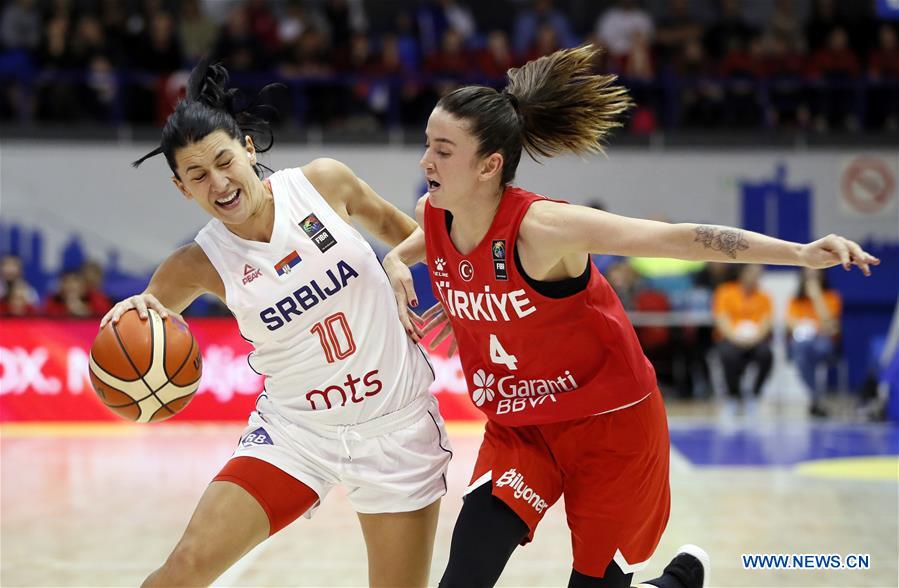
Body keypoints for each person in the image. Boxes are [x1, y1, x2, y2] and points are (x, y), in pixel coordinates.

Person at [382, 44, 879, 588]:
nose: (425, 161)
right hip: (521, 430)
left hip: (610, 427)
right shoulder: (433, 212)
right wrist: (394, 260)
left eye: (443, 150)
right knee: (463, 578)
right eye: (428, 145)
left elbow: (677, 240)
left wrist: (801, 253)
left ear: (489, 165)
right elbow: (426, 245)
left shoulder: (545, 229)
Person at [100, 58, 451, 587]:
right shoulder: (195, 263)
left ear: (246, 147)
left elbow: (413, 234)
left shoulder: (323, 183)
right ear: (182, 188)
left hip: (395, 428)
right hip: (297, 434)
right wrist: (127, 318)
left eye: (223, 161)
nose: (217, 183)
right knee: (184, 571)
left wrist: (458, 284)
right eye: (197, 175)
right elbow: (144, 317)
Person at [711, 264, 774, 415]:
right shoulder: (725, 292)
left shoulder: (764, 297)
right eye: (753, 272)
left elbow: (766, 322)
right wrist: (735, 338)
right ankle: (734, 396)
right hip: (731, 339)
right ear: (742, 273)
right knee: (728, 355)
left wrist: (754, 339)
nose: (756, 276)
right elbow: (722, 319)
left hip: (755, 340)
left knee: (766, 355)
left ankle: (754, 394)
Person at [786, 267, 842, 417]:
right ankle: (817, 398)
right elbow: (791, 325)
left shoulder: (831, 297)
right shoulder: (795, 301)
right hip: (803, 345)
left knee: (802, 352)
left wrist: (817, 297)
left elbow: (829, 326)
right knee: (801, 349)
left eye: (815, 276)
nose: (812, 280)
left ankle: (815, 398)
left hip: (825, 345)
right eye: (808, 276)